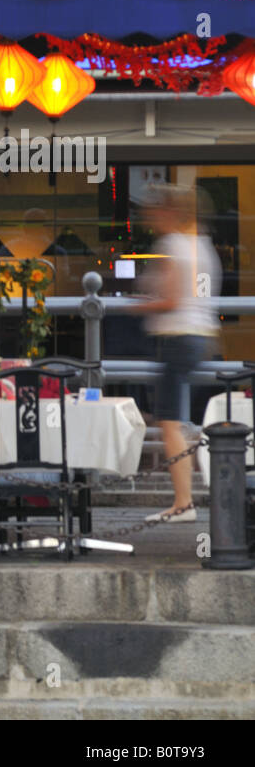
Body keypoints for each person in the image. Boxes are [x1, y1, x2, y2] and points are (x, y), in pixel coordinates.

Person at [128, 184, 220, 523]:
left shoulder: (171, 245)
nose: (150, 217)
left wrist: (140, 304)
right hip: (200, 337)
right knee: (176, 420)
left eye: (154, 210)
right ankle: (184, 501)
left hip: (176, 338)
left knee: (168, 422)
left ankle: (183, 503)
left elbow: (171, 300)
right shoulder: (202, 244)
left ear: (169, 213)